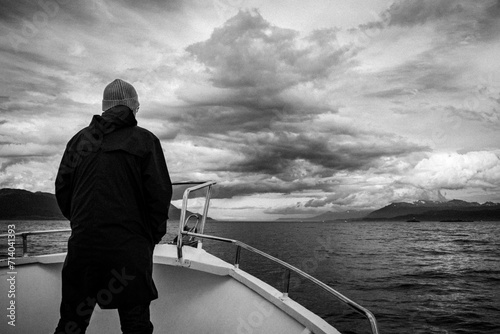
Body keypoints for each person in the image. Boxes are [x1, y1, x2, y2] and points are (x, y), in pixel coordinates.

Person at [54, 79, 172, 334]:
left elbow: (63, 191)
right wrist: (149, 238)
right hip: (129, 252)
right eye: (137, 109)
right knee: (135, 325)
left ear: (105, 107)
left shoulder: (78, 142)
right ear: (132, 108)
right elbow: (159, 196)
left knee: (71, 324)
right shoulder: (145, 141)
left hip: (83, 248)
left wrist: (82, 224)